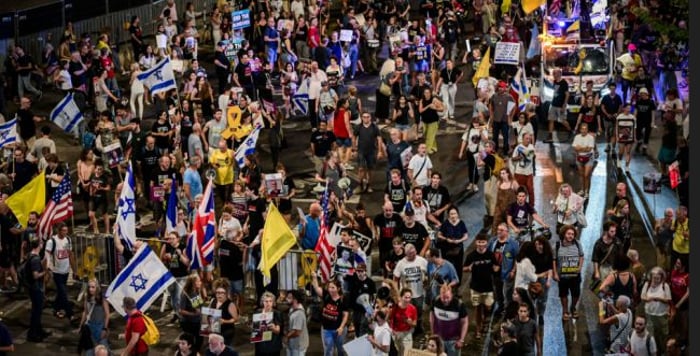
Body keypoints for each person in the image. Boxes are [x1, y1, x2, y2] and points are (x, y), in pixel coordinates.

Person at [463, 233, 497, 340]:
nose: (481, 244)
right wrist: (469, 268)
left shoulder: (491, 255)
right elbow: (464, 268)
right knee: (477, 308)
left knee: (488, 307)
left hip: (488, 286)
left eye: (483, 242)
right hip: (475, 287)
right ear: (476, 242)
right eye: (479, 242)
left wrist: (497, 269)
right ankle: (478, 329)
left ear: (486, 243)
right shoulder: (471, 256)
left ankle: (485, 319)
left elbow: (496, 266)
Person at [393, 243, 428, 335]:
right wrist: (397, 293)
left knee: (419, 311)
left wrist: (426, 280)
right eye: (410, 254)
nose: (413, 255)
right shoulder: (401, 263)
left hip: (419, 292)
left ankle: (418, 327)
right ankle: (408, 330)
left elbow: (429, 273)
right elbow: (395, 279)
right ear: (406, 254)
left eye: (414, 253)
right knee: (407, 313)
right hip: (406, 294)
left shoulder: (422, 261)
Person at [45, 222, 77, 322]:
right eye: (63, 231)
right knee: (63, 292)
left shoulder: (68, 240)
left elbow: (70, 254)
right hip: (56, 272)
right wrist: (48, 269)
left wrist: (74, 270)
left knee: (60, 292)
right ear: (58, 231)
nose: (65, 233)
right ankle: (70, 313)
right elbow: (47, 256)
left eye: (66, 231)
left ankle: (56, 307)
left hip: (66, 271)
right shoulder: (52, 242)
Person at [311, 275, 349, 356]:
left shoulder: (343, 299)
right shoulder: (326, 295)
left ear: (338, 289)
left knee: (340, 349)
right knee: (328, 349)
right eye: (329, 287)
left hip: (339, 330)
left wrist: (341, 327)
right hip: (326, 329)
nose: (330, 289)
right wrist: (314, 277)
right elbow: (316, 288)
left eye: (333, 287)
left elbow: (345, 315)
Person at [553, 225, 584, 321]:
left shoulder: (578, 244)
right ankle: (565, 311)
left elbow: (581, 256)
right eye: (569, 234)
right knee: (563, 294)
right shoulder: (557, 245)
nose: (571, 236)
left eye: (572, 234)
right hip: (562, 276)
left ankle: (573, 307)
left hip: (575, 275)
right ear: (564, 234)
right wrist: (555, 273)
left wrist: (579, 267)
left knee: (576, 294)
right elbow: (553, 260)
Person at [429, 284, 469, 356]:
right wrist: (432, 334)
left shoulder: (459, 305)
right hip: (439, 339)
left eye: (448, 297)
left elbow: (465, 322)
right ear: (440, 295)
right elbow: (432, 317)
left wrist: (461, 340)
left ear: (452, 295)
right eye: (443, 298)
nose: (445, 300)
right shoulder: (435, 301)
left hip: (453, 341)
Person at [489, 223, 519, 315]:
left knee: (507, 292)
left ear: (507, 232)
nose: (499, 232)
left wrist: (513, 270)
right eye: (498, 229)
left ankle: (508, 309)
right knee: (498, 291)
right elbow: (489, 255)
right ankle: (500, 307)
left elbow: (517, 258)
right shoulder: (493, 241)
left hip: (507, 273)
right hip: (495, 273)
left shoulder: (513, 244)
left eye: (501, 230)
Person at [640, 267, 671, 356]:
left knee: (663, 333)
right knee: (651, 333)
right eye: (654, 278)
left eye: (658, 278)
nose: (656, 280)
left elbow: (668, 300)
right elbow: (642, 297)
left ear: (662, 278)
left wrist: (656, 298)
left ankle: (664, 351)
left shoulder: (665, 285)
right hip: (649, 313)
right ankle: (653, 351)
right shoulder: (647, 284)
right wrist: (648, 298)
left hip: (661, 314)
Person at [26, 236, 50, 342]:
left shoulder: (30, 255)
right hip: (36, 289)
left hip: (33, 288)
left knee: (37, 311)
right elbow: (35, 275)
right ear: (39, 245)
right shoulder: (35, 259)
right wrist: (45, 272)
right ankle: (33, 334)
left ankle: (39, 331)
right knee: (37, 312)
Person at [78, 279, 110, 349]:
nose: (90, 289)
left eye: (93, 287)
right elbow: (85, 312)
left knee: (103, 349)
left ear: (97, 287)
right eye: (89, 287)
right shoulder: (87, 297)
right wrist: (80, 326)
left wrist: (104, 329)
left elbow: (107, 315)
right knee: (90, 349)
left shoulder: (102, 299)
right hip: (90, 326)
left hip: (100, 327)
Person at [207, 279, 239, 346]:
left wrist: (224, 321)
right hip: (215, 331)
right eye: (217, 292)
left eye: (222, 293)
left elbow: (235, 319)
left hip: (226, 333)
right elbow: (209, 313)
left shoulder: (230, 304)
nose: (219, 295)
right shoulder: (213, 301)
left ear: (226, 293)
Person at [544, 68, 572, 143]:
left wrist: (564, 105)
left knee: (562, 120)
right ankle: (550, 136)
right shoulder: (555, 82)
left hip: (560, 105)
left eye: (554, 73)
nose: (553, 75)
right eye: (553, 74)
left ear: (559, 74)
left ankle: (570, 130)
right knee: (551, 120)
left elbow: (567, 94)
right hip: (553, 104)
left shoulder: (564, 83)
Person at [179, 274, 206, 352]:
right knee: (192, 340)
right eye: (198, 281)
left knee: (200, 339)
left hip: (197, 321)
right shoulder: (185, 294)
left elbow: (198, 306)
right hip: (188, 323)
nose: (200, 282)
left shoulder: (196, 291)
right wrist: (193, 314)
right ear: (194, 283)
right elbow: (181, 311)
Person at [389, 288, 417, 355]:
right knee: (399, 353)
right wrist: (392, 330)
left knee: (407, 353)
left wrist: (410, 323)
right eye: (406, 297)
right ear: (401, 297)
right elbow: (390, 319)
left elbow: (415, 323)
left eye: (409, 297)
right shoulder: (395, 307)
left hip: (407, 333)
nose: (408, 300)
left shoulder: (413, 308)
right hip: (396, 333)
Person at [572, 123, 596, 198]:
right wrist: (584, 148)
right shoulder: (577, 137)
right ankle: (582, 189)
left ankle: (587, 191)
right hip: (579, 158)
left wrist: (580, 148)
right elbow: (575, 148)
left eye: (585, 129)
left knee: (586, 175)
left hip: (589, 158)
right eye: (582, 129)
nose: (584, 130)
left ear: (587, 130)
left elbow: (589, 149)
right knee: (581, 175)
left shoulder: (591, 138)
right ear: (580, 130)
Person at [284, 290, 309, 356]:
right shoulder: (292, 309)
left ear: (295, 300)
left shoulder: (299, 314)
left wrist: (286, 337)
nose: (286, 299)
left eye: (289, 298)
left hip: (298, 346)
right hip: (292, 344)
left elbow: (297, 332)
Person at [615, 105, 636, 174]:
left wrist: (634, 137)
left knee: (628, 152)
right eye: (627, 108)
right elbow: (617, 128)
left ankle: (627, 166)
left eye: (630, 108)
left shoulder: (632, 117)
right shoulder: (619, 117)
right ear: (624, 108)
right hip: (621, 137)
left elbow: (634, 128)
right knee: (621, 151)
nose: (628, 109)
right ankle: (619, 160)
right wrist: (617, 136)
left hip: (630, 137)